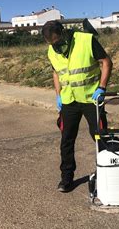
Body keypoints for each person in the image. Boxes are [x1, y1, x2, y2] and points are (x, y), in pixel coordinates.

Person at [42, 20, 113, 193]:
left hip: (91, 98)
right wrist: (58, 95)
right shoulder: (51, 50)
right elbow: (56, 72)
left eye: (57, 42)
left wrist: (102, 88)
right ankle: (66, 178)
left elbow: (106, 62)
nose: (56, 47)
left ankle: (109, 173)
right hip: (68, 101)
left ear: (63, 34)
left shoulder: (85, 40)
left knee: (99, 135)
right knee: (66, 139)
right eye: (52, 44)